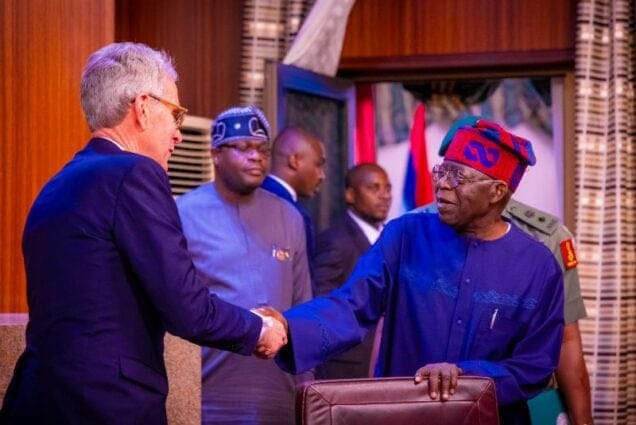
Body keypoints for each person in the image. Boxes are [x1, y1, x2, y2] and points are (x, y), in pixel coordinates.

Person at [0, 42, 286, 425]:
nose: (178, 134)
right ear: (143, 107)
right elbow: (187, 308)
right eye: (176, 114)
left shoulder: (57, 184)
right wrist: (258, 329)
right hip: (106, 406)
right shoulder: (134, 174)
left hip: (39, 401)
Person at [270, 117, 565, 425]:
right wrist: (288, 327)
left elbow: (536, 364)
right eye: (442, 171)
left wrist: (467, 376)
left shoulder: (538, 267)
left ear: (496, 191)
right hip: (403, 417)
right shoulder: (406, 235)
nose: (443, 184)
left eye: (458, 177)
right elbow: (352, 304)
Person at [176, 106, 313, 424]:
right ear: (216, 154)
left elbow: (303, 307)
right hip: (206, 399)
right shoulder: (182, 213)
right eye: (243, 148)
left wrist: (307, 391)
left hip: (278, 399)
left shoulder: (289, 216)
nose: (256, 157)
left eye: (263, 150)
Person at [505, 199, 593, 424]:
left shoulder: (545, 235)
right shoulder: (419, 230)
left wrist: (583, 420)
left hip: (527, 403)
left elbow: (565, 340)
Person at [312, 163, 392, 379]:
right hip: (348, 364)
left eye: (387, 188)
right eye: (374, 188)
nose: (385, 195)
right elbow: (322, 301)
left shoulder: (392, 238)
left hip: (387, 362)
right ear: (350, 195)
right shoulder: (335, 240)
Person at [261, 127, 326, 260]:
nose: (322, 176)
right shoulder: (291, 214)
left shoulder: (253, 196)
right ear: (294, 161)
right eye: (318, 165)